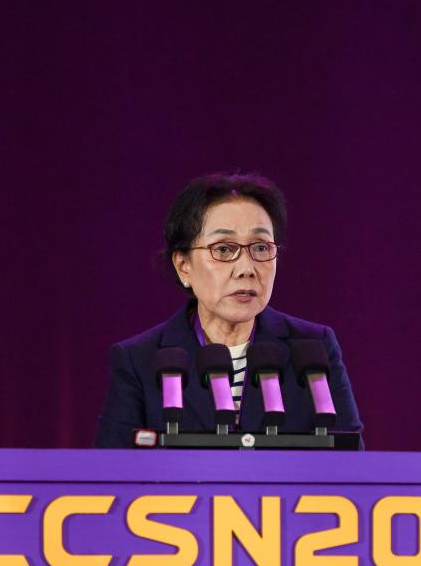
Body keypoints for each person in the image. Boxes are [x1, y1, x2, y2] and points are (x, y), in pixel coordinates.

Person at [94, 172, 363, 447]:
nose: (246, 269)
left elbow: (351, 460)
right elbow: (111, 468)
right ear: (183, 265)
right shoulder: (140, 360)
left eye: (261, 248)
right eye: (223, 249)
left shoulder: (312, 350)